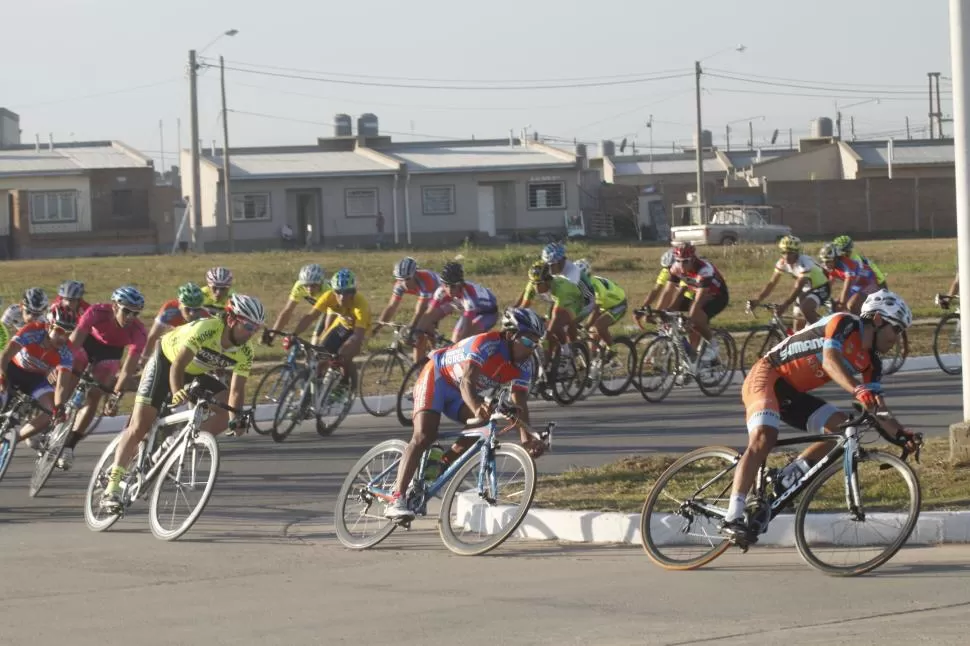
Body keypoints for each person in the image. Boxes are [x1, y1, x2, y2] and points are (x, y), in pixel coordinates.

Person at [722, 290, 917, 544]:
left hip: (792, 393)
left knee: (843, 429)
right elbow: (830, 361)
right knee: (763, 437)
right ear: (878, 320)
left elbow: (877, 407)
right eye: (897, 329)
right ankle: (732, 516)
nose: (898, 339)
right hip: (768, 376)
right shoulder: (844, 323)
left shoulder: (872, 363)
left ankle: (787, 477)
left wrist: (902, 434)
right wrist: (859, 390)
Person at [99, 294, 265, 511]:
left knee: (225, 413)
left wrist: (236, 419)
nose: (253, 333)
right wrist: (177, 392)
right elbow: (177, 365)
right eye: (249, 327)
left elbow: (236, 390)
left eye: (257, 328)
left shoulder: (246, 350)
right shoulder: (208, 328)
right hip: (166, 362)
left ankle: (178, 443)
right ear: (232, 319)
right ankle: (112, 488)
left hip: (194, 373)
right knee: (140, 425)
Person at [384, 308, 547, 521]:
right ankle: (396, 498)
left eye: (535, 343)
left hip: (460, 393)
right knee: (424, 435)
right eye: (527, 342)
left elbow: (520, 401)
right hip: (438, 379)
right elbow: (467, 381)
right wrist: (477, 404)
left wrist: (527, 438)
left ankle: (441, 464)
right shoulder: (486, 344)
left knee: (482, 426)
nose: (530, 349)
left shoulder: (525, 364)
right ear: (510, 334)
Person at [61, 286, 147, 469]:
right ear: (115, 306)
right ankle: (58, 409)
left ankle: (69, 445)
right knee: (73, 368)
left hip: (111, 353)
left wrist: (116, 396)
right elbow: (74, 343)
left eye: (136, 313)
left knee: (95, 394)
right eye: (127, 311)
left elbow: (127, 370)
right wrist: (62, 368)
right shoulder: (96, 312)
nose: (131, 317)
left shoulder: (138, 332)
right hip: (88, 342)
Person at [0, 305, 77, 449]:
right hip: (13, 369)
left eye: (68, 333)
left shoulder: (66, 351)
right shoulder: (32, 331)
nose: (63, 337)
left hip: (36, 379)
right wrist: (2, 376)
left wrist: (59, 408)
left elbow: (61, 385)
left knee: (50, 413)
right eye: (59, 331)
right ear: (49, 326)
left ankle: (12, 440)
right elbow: (5, 356)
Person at [290, 269, 369, 387]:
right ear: (333, 291)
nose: (342, 297)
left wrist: (343, 351)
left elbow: (358, 335)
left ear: (354, 292)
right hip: (342, 325)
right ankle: (318, 391)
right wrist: (294, 334)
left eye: (347, 292)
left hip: (361, 330)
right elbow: (311, 316)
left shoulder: (360, 304)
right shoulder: (328, 296)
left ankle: (347, 386)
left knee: (343, 355)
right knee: (321, 355)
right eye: (338, 292)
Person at [749, 235, 830, 331]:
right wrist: (757, 299)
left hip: (821, 287)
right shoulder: (782, 263)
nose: (787, 256)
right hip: (807, 288)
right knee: (797, 324)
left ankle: (822, 335)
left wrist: (785, 305)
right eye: (784, 252)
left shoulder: (804, 261)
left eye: (790, 252)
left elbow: (798, 286)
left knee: (806, 308)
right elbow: (771, 283)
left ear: (796, 253)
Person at [665, 242, 730, 359]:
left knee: (695, 319)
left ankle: (713, 345)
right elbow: (667, 292)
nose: (681, 265)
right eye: (678, 261)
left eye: (685, 261)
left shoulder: (704, 269)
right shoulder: (675, 268)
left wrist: (691, 319)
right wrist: (661, 311)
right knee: (670, 311)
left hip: (716, 296)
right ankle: (691, 356)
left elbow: (699, 300)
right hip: (697, 293)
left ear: (693, 260)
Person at [374, 257, 441, 362]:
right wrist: (377, 327)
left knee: (423, 326)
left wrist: (411, 328)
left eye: (407, 279)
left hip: (443, 295)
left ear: (415, 274)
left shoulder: (425, 280)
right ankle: (419, 368)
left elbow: (420, 310)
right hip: (430, 297)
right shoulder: (399, 285)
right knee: (419, 334)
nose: (404, 283)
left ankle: (438, 354)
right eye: (400, 279)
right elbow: (391, 307)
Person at [418, 261, 499, 344]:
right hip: (471, 311)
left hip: (488, 314)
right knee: (455, 337)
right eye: (446, 285)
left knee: (464, 340)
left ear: (460, 284)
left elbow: (466, 330)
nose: (449, 290)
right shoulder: (441, 291)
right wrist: (417, 331)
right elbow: (428, 313)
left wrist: (455, 347)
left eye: (453, 286)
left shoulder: (469, 297)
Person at [516, 261, 583, 353]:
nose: (536, 287)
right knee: (547, 328)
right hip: (555, 301)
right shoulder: (532, 284)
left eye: (539, 283)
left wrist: (546, 336)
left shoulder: (560, 289)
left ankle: (567, 352)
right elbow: (523, 308)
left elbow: (556, 318)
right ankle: (550, 359)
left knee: (556, 325)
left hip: (574, 301)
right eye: (534, 283)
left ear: (547, 280)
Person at [142, 283, 208, 361]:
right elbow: (153, 336)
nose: (192, 313)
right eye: (188, 309)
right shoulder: (170, 309)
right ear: (180, 304)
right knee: (160, 343)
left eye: (196, 309)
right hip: (172, 343)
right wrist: (143, 358)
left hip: (191, 348)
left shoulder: (205, 316)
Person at [263, 264, 326, 346]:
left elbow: (312, 316)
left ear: (320, 283)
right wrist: (273, 335)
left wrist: (294, 334)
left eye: (313, 285)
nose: (309, 290)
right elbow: (287, 311)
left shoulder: (327, 291)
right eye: (306, 285)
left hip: (336, 312)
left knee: (319, 340)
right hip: (324, 310)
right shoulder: (299, 286)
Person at [575, 259, 628, 349]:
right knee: (593, 334)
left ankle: (612, 349)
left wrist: (585, 327)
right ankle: (593, 357)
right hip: (604, 306)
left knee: (599, 326)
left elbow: (595, 310)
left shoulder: (595, 287)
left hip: (618, 305)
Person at [541, 242, 596, 321]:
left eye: (552, 265)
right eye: (547, 265)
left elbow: (567, 299)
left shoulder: (572, 274)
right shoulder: (558, 268)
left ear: (560, 261)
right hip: (570, 298)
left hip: (585, 302)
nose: (549, 269)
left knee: (562, 324)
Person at [818, 243, 878, 315]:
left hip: (869, 283)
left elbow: (846, 289)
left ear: (836, 259)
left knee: (851, 304)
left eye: (828, 261)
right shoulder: (833, 266)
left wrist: (841, 303)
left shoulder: (847, 266)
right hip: (857, 284)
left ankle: (862, 323)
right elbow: (827, 285)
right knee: (837, 307)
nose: (825, 264)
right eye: (823, 261)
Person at [636, 250, 693, 324]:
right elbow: (656, 290)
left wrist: (666, 311)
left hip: (696, 297)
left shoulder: (686, 271)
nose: (669, 270)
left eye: (670, 267)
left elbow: (681, 292)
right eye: (666, 268)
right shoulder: (666, 270)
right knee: (667, 295)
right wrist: (644, 308)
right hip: (683, 297)